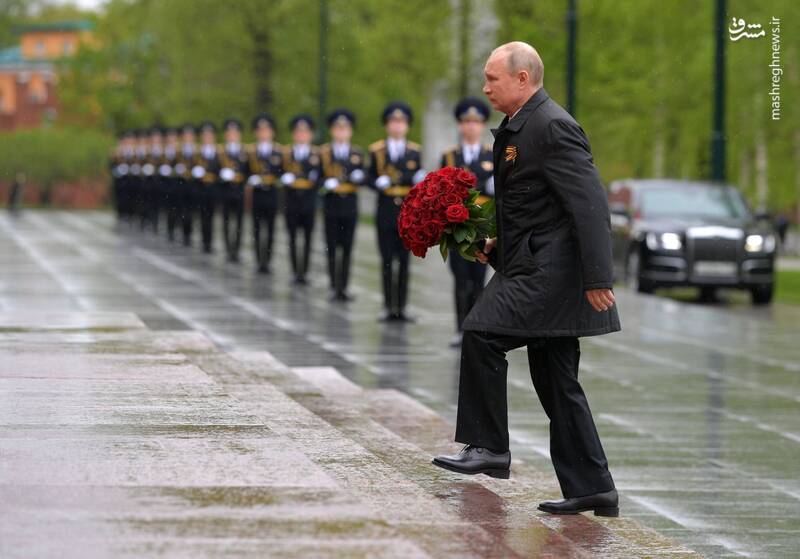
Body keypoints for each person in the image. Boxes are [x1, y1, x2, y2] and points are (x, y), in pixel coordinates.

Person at [432, 42, 621, 518]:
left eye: (492, 78)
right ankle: (594, 487)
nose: (485, 88)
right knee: (557, 381)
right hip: (535, 266)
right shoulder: (522, 124)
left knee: (481, 332)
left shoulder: (552, 125)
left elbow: (589, 204)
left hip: (550, 275)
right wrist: (496, 245)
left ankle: (489, 446)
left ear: (522, 78)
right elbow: (535, 208)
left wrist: (598, 277)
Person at [441, 97, 495, 347]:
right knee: (461, 278)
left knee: (478, 278)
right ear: (460, 125)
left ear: (482, 125)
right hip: (457, 225)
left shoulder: (491, 154)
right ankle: (461, 328)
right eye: (467, 122)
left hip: (481, 224)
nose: (471, 126)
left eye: (476, 122)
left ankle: (476, 328)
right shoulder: (450, 156)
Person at [368, 101, 426, 321]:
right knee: (386, 260)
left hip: (407, 213)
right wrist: (376, 182)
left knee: (404, 262)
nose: (397, 126)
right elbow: (368, 176)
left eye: (402, 122)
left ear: (407, 126)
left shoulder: (414, 151)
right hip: (385, 210)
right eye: (393, 121)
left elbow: (417, 179)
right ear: (387, 125)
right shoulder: (377, 151)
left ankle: (401, 306)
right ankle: (387, 306)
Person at [320, 108, 366, 301]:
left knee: (347, 247)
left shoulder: (357, 153)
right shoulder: (324, 153)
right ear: (332, 130)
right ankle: (333, 285)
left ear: (350, 131)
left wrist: (360, 176)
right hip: (331, 204)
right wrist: (325, 182)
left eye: (345, 128)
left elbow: (365, 177)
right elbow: (316, 177)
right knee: (331, 246)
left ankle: (344, 286)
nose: (341, 132)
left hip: (349, 204)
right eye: (338, 128)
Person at [282, 114, 321, 284]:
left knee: (307, 238)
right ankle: (294, 271)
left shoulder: (317, 154)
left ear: (310, 135)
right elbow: (278, 171)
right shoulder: (286, 153)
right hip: (291, 201)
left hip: (308, 201)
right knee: (291, 237)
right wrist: (284, 177)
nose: (301, 135)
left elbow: (322, 175)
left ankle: (304, 272)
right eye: (298, 132)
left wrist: (315, 178)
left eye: (305, 132)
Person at [247, 113, 284, 274]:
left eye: (267, 130)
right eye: (260, 130)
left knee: (270, 229)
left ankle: (267, 261)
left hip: (272, 193)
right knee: (256, 228)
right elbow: (244, 171)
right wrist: (251, 178)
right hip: (257, 194)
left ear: (272, 132)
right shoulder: (251, 151)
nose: (263, 133)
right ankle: (258, 260)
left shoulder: (279, 152)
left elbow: (282, 171)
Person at [218, 118, 249, 263]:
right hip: (225, 191)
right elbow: (214, 169)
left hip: (239, 191)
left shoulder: (245, 152)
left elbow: (249, 171)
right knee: (225, 222)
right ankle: (228, 249)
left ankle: (236, 250)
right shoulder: (221, 152)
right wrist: (221, 175)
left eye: (235, 133)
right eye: (230, 133)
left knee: (239, 223)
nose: (232, 136)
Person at [194, 121, 221, 253]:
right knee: (202, 216)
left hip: (214, 188)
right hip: (201, 188)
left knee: (211, 216)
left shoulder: (219, 152)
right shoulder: (197, 152)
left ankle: (209, 242)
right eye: (205, 135)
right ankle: (204, 241)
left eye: (209, 135)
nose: (207, 138)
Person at [175, 123, 199, 246]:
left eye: (190, 135)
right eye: (186, 135)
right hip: (181, 184)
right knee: (182, 211)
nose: (188, 138)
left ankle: (189, 233)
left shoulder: (198, 151)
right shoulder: (178, 151)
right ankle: (185, 234)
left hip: (194, 185)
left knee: (192, 212)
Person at [162, 126, 180, 242]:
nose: (171, 139)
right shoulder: (164, 152)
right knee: (169, 209)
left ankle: (177, 230)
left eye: (173, 137)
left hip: (178, 184)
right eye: (170, 137)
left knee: (179, 209)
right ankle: (170, 230)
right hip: (167, 184)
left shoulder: (180, 151)